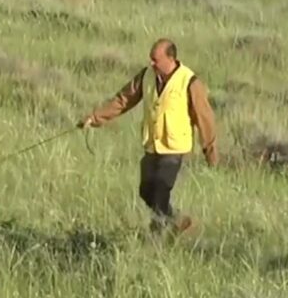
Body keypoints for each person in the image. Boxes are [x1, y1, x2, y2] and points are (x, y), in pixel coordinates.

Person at [77, 38, 218, 236]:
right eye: (151, 59)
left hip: (175, 150)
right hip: (152, 147)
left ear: (171, 58)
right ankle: (178, 220)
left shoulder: (190, 82)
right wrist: (95, 117)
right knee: (146, 192)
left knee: (160, 191)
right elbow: (123, 99)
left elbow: (205, 118)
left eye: (155, 59)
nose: (151, 63)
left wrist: (210, 151)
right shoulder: (146, 76)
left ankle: (156, 241)